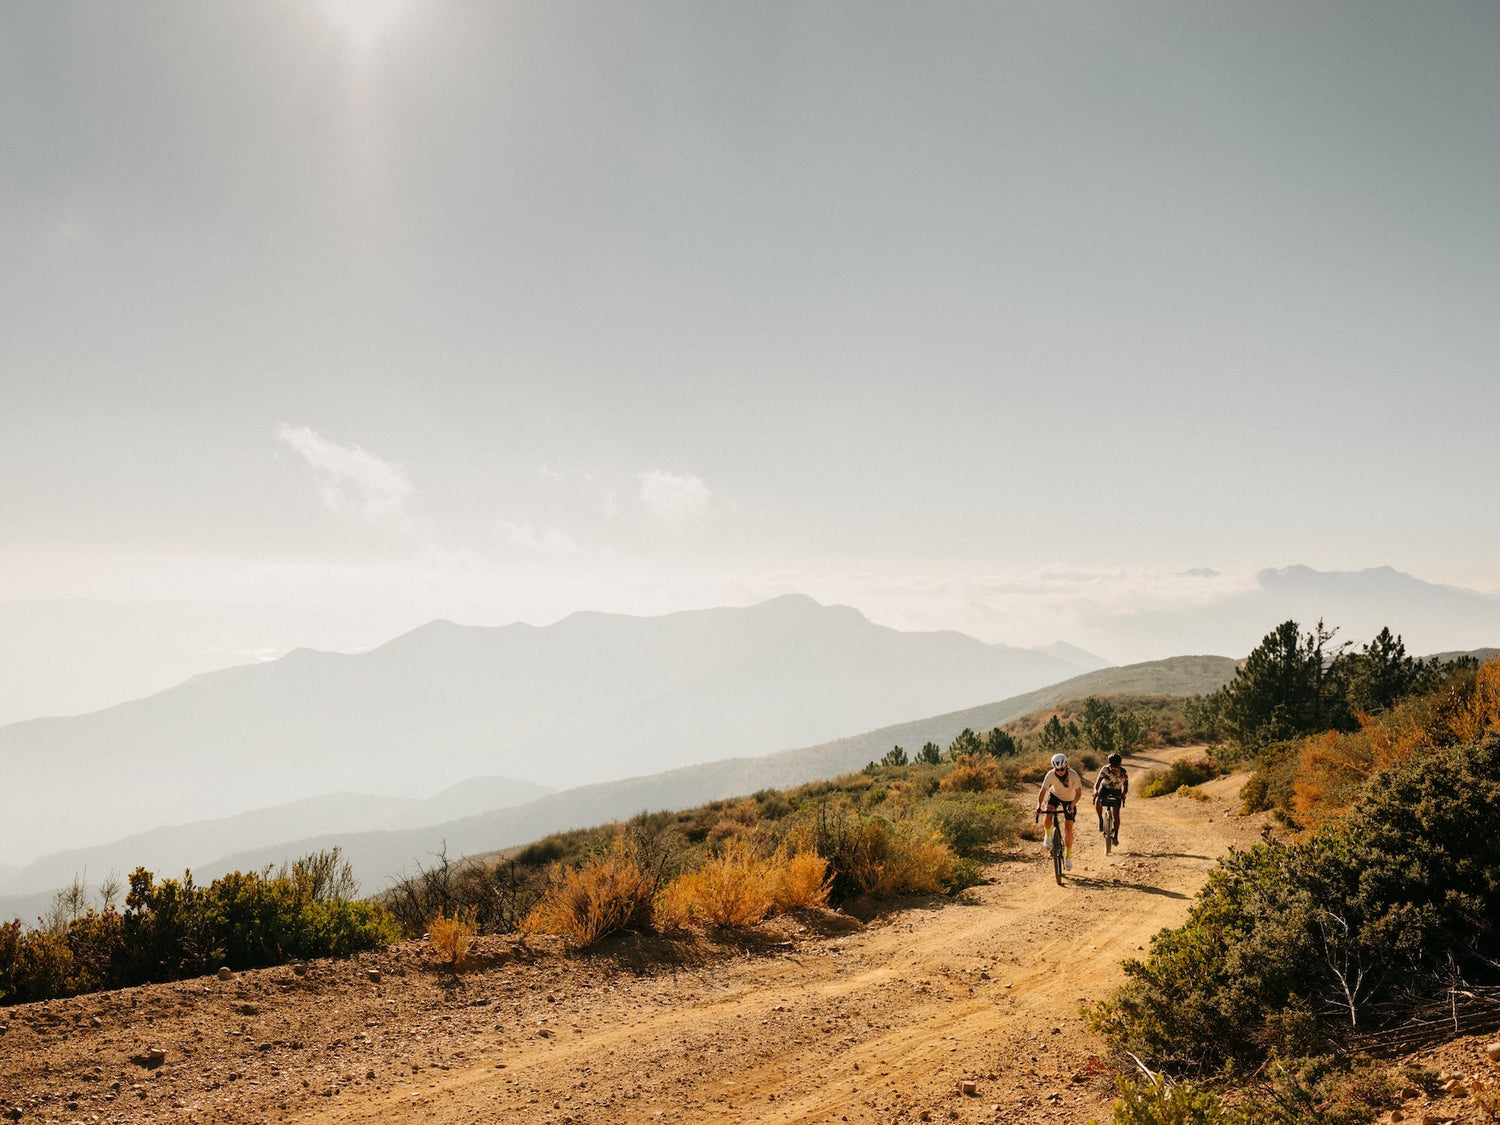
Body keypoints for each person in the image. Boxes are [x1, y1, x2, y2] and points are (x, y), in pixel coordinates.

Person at [1036, 752, 1084, 871]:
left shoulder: (1073, 775)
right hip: (1055, 795)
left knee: (1068, 827)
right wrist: (1038, 806)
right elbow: (1043, 791)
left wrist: (1072, 805)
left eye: (1062, 769)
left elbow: (1078, 793)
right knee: (1048, 812)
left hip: (1070, 800)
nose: (1059, 772)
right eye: (1057, 769)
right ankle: (1048, 835)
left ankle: (1068, 857)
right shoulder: (1050, 774)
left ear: (1066, 766)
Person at [1093, 752, 1129, 843]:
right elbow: (1097, 783)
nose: (1113, 768)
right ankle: (1101, 820)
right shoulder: (1105, 769)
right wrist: (1095, 791)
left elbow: (1126, 786)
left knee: (1116, 813)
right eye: (1112, 765)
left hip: (1117, 790)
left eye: (1116, 766)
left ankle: (1116, 835)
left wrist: (1123, 795)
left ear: (1120, 764)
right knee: (1098, 800)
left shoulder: (1123, 772)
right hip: (1105, 788)